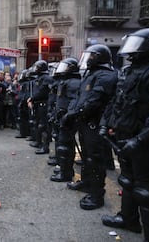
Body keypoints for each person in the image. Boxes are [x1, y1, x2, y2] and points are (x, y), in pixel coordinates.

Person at [100, 28, 149, 242]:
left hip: (146, 141)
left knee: (145, 187)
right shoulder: (130, 71)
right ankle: (128, 219)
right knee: (127, 180)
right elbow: (118, 103)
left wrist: (139, 141)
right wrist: (107, 125)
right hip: (125, 137)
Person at [63, 44, 117, 210]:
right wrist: (72, 113)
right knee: (86, 156)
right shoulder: (89, 74)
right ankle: (86, 183)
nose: (87, 59)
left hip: (96, 123)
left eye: (91, 56)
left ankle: (96, 194)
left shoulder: (106, 76)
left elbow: (93, 101)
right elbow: (80, 98)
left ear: (99, 57)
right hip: (85, 122)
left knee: (95, 159)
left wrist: (73, 114)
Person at [50, 57, 81, 182]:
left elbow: (74, 101)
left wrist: (68, 115)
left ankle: (66, 173)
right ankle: (64, 169)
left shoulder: (73, 82)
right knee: (63, 144)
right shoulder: (66, 81)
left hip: (68, 119)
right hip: (62, 117)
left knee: (65, 146)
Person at [27, 60, 53, 154]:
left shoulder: (46, 78)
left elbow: (42, 92)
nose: (36, 69)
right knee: (38, 124)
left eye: (37, 67)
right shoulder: (40, 78)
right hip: (38, 104)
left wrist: (31, 99)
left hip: (44, 104)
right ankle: (38, 143)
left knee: (43, 126)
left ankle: (45, 147)